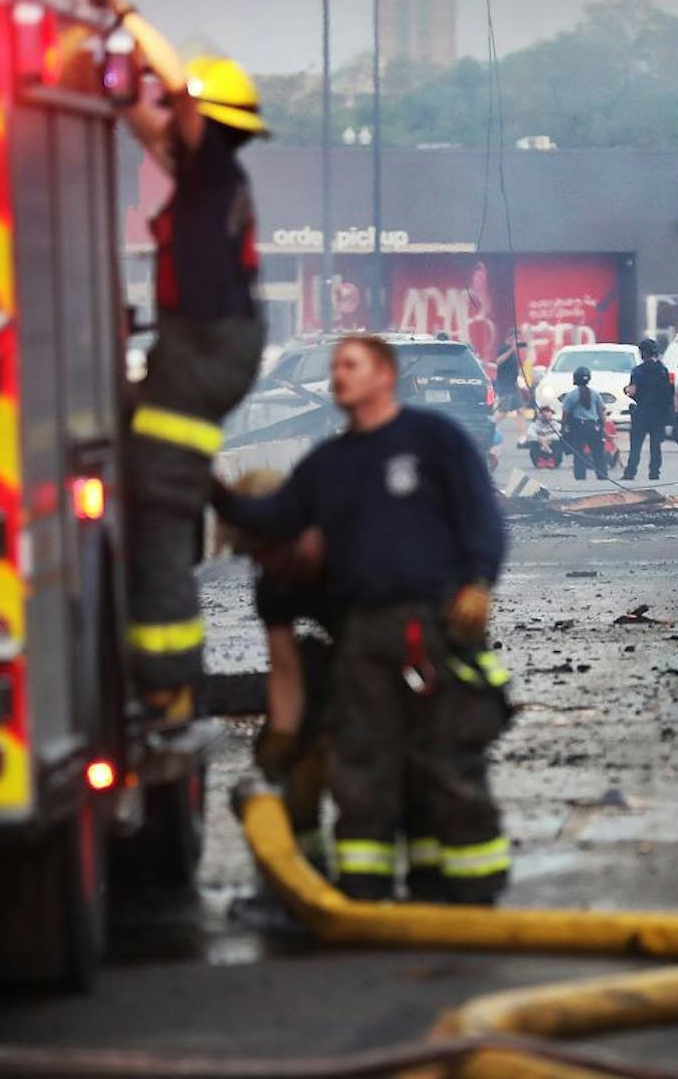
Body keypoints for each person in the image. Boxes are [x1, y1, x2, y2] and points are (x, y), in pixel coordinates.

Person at [213, 334, 512, 905]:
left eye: (350, 365)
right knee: (362, 764)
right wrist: (206, 485)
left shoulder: (433, 439)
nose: (337, 377)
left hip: (432, 625)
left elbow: (481, 515)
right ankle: (363, 889)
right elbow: (273, 522)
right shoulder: (329, 468)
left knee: (443, 756)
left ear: (384, 374)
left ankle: (471, 891)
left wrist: (478, 581)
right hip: (365, 638)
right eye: (334, 368)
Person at [100, 0, 269, 720]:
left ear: (205, 118)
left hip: (205, 347)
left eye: (185, 110)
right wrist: (100, 87)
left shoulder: (211, 170)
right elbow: (145, 119)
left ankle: (169, 686)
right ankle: (229, 505)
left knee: (159, 512)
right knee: (144, 462)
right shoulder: (205, 173)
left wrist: (122, 12)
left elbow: (170, 92)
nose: (171, 119)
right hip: (202, 347)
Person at [220, 471, 335, 877]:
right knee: (297, 764)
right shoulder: (274, 584)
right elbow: (285, 670)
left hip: (400, 661)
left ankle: (381, 882)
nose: (259, 562)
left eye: (262, 548)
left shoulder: (357, 548)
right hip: (344, 658)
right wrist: (283, 741)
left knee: (365, 761)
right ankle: (309, 870)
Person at [622, 339, 672, 480]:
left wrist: (625, 390)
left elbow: (632, 391)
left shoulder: (638, 371)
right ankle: (654, 473)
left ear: (643, 353)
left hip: (642, 412)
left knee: (636, 445)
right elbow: (668, 392)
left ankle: (630, 472)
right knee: (656, 446)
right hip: (658, 412)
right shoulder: (663, 370)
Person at [562, 366, 607, 481]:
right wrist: (602, 426)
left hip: (579, 428)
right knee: (598, 454)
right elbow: (601, 412)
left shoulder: (572, 395)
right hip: (593, 426)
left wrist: (564, 427)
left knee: (579, 454)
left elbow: (565, 412)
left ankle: (580, 477)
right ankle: (602, 476)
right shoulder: (595, 394)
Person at [492, 332, 525, 413]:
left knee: (521, 410)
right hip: (505, 386)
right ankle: (492, 424)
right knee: (503, 411)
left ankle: (522, 426)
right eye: (516, 338)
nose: (517, 341)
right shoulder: (503, 348)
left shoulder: (514, 351)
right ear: (510, 338)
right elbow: (498, 361)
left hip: (513, 386)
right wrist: (511, 350)